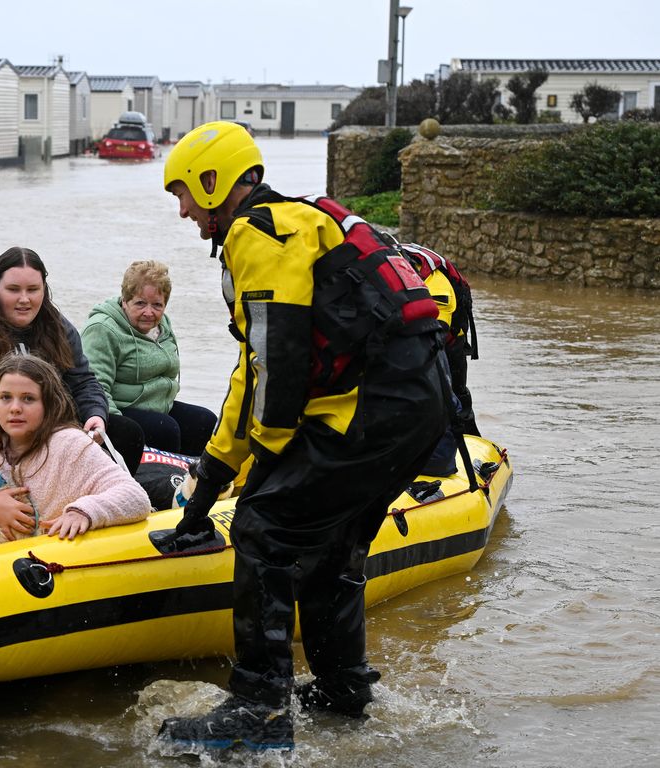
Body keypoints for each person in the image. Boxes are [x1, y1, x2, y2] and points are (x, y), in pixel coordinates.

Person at [155, 122, 450, 753]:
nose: (183, 211)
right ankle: (344, 692)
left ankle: (259, 714)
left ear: (215, 181)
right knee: (330, 544)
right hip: (416, 409)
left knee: (263, 526)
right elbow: (254, 373)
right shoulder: (300, 223)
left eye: (183, 193)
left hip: (372, 413)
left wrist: (258, 468)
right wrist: (206, 492)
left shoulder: (257, 233)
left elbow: (278, 365)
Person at [0, 246, 147, 474]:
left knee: (127, 432)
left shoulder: (56, 326)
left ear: (44, 290)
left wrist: (95, 414)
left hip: (46, 431)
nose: (24, 299)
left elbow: (83, 381)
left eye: (33, 290)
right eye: (13, 289)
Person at [0, 354, 150, 550]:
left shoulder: (71, 445)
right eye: (6, 397)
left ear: (48, 404)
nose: (15, 407)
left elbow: (135, 497)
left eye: (28, 398)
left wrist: (83, 512)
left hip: (51, 570)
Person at [81, 259, 217, 456]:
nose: (149, 312)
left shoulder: (162, 326)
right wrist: (120, 428)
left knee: (205, 422)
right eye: (140, 303)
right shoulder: (102, 329)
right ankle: (162, 480)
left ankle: (193, 478)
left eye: (157, 305)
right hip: (114, 411)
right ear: (125, 301)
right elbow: (94, 385)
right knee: (166, 430)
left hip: (159, 407)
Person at [399, 241, 481, 476]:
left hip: (448, 343)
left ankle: (470, 448)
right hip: (415, 340)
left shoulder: (436, 283)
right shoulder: (388, 277)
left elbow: (436, 331)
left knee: (454, 397)